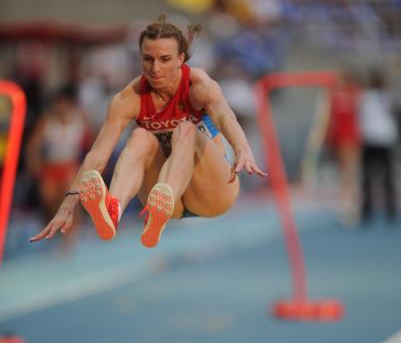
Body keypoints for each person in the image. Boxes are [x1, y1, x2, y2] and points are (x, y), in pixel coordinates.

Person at [30, 16, 267, 248]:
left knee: (185, 130)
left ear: (180, 59)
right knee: (139, 137)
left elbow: (226, 116)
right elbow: (97, 156)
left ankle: (165, 198)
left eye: (164, 59)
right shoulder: (128, 99)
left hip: (212, 193)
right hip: (164, 201)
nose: (155, 69)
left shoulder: (199, 87)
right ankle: (114, 209)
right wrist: (67, 205)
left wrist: (242, 149)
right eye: (148, 59)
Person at [25, 84, 92, 240]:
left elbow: (93, 142)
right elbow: (33, 145)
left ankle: (70, 237)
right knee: (50, 202)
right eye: (58, 104)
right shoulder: (47, 121)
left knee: (70, 200)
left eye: (64, 104)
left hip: (70, 166)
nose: (61, 107)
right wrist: (33, 162)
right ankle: (57, 233)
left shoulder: (80, 118)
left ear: (70, 104)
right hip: (50, 166)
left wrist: (90, 166)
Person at [358, 69, 399, 223]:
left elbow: (396, 109)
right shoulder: (366, 97)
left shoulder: (386, 97)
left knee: (386, 177)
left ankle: (390, 209)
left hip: (381, 139)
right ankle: (369, 210)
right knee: (370, 177)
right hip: (374, 140)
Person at [325, 68, 362, 226]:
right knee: (348, 170)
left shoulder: (345, 93)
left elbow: (331, 119)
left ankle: (349, 203)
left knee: (348, 171)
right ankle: (349, 203)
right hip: (347, 136)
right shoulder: (351, 93)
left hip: (347, 135)